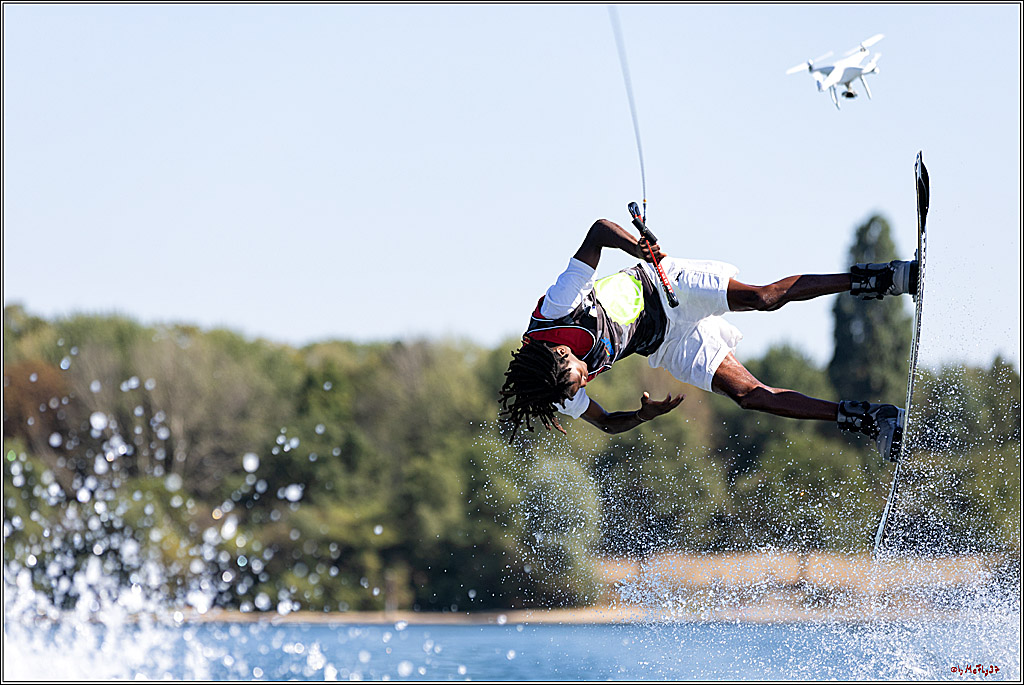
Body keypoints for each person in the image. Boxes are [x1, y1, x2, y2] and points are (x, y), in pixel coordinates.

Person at [498, 218, 917, 461]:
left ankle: (883, 277)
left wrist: (638, 250)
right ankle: (872, 418)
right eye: (580, 384)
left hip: (662, 285)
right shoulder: (557, 389)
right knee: (751, 396)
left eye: (581, 373)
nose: (587, 379)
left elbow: (598, 232)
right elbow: (607, 423)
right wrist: (644, 416)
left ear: (562, 351)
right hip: (665, 343)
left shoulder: (556, 309)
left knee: (763, 298)